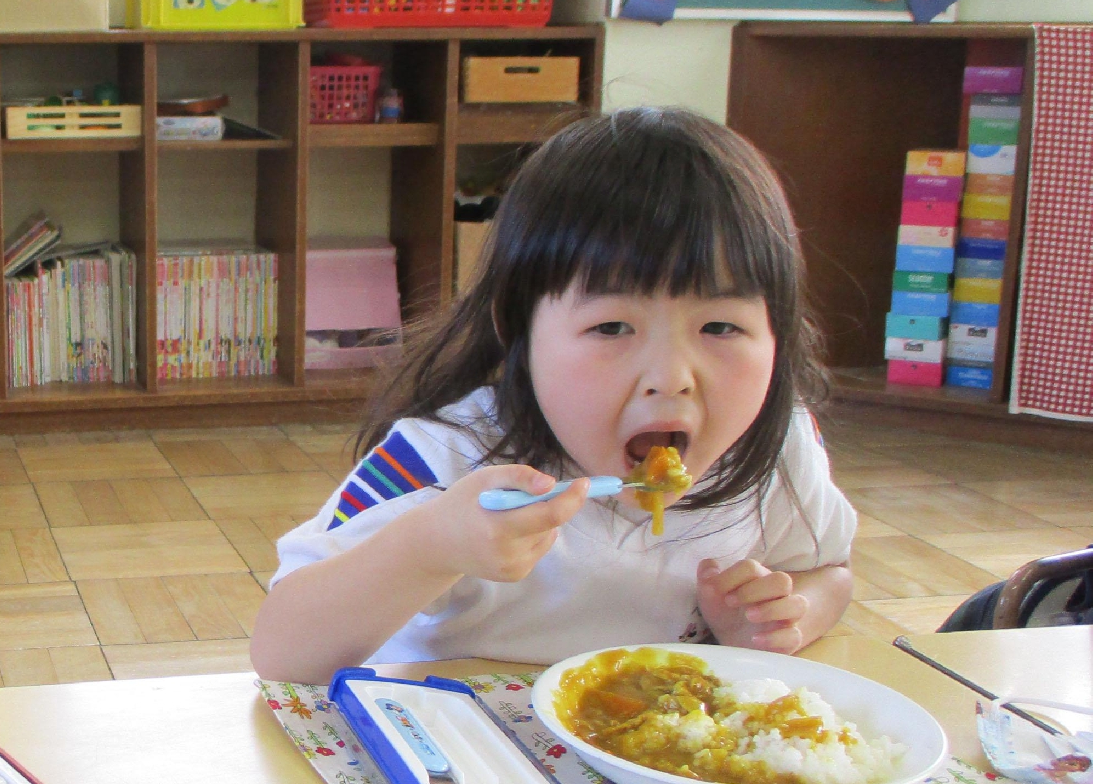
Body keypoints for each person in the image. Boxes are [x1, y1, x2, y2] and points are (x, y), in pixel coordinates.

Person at [250, 107, 855, 682]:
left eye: (720, 327)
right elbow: (282, 651)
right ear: (519, 332)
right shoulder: (445, 459)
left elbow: (829, 573)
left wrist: (779, 619)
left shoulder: (779, 452)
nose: (671, 377)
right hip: (462, 760)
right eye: (612, 328)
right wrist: (433, 543)